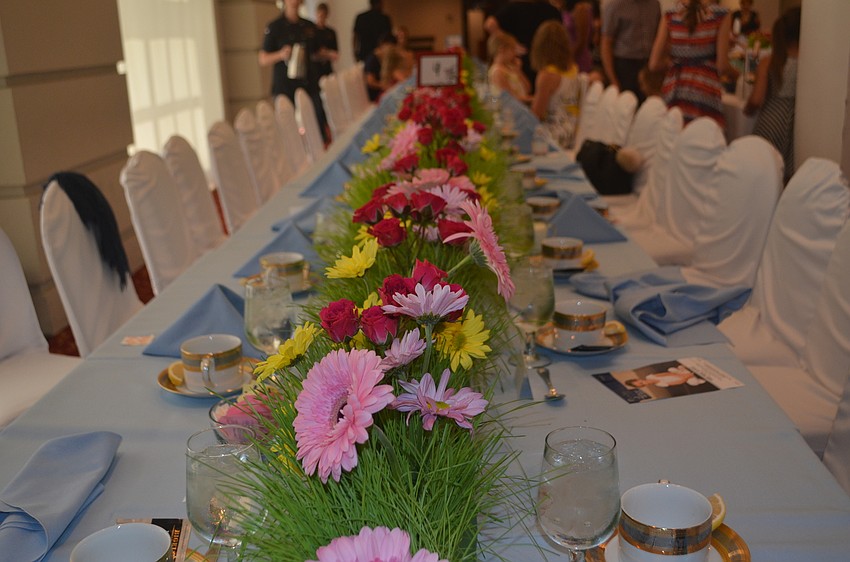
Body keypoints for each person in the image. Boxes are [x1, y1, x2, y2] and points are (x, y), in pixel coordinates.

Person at [649, 0, 737, 125]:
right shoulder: (721, 15)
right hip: (704, 89)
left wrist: (674, 62)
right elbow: (722, 66)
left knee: (673, 131)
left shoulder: (670, 15)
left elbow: (654, 64)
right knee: (703, 133)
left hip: (675, 89)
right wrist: (738, 76)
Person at [258, 0, 329, 142]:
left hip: (308, 81)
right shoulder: (275, 27)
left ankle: (321, 145)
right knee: (288, 128)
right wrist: (281, 54)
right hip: (285, 84)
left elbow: (316, 51)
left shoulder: (308, 26)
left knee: (317, 120)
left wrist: (328, 54)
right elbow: (263, 59)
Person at [745, 7, 800, 184]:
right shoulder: (808, 64)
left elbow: (756, 99)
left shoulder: (770, 62)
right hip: (795, 123)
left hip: (771, 120)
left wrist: (747, 109)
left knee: (761, 171)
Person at [484, 0, 562, 93]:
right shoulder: (516, 7)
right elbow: (490, 24)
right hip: (533, 59)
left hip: (537, 60)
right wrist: (510, 43)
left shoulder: (551, 10)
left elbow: (490, 24)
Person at [530, 20, 581, 150]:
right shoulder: (574, 69)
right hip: (571, 131)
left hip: (552, 134)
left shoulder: (547, 75)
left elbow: (536, 114)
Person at [601, 0, 661, 104]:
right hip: (625, 65)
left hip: (648, 63)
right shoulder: (615, 6)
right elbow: (606, 43)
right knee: (626, 104)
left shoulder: (654, 4)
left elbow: (658, 35)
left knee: (649, 105)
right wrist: (613, 80)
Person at [551, 0, 594, 73]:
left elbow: (582, 40)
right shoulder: (562, 9)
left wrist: (568, 59)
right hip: (565, 58)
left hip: (578, 58)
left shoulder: (580, 8)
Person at [487, 32, 532, 103]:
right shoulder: (497, 72)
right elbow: (510, 98)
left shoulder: (510, 68)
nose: (514, 53)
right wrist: (533, 99)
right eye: (512, 49)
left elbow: (528, 89)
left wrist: (518, 71)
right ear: (501, 49)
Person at [363, 33, 397, 102]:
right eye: (390, 48)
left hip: (382, 93)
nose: (391, 52)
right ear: (383, 45)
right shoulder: (372, 60)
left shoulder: (384, 58)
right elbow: (370, 82)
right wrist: (384, 86)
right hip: (374, 96)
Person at [313, 3, 338, 80]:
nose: (321, 18)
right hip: (315, 71)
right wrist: (324, 54)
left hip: (327, 70)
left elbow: (336, 54)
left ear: (327, 15)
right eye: (319, 15)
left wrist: (326, 53)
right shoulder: (312, 32)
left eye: (323, 15)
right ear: (316, 14)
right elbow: (311, 54)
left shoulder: (331, 32)